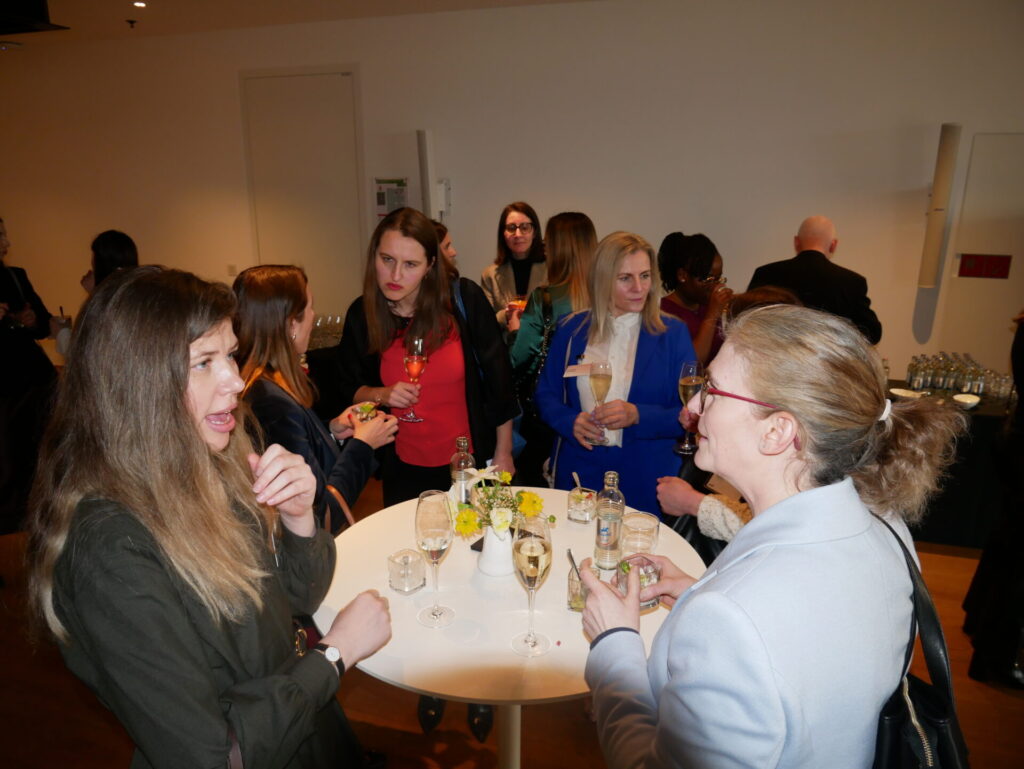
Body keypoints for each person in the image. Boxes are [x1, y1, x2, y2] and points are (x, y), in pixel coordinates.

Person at [27, 266, 391, 768]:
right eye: (203, 362)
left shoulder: (206, 464)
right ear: (137, 384)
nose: (236, 381)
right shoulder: (109, 552)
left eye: (230, 355)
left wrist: (298, 519)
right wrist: (332, 655)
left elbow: (292, 602)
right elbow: (213, 755)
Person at [580, 304, 965, 769]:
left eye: (712, 391)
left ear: (778, 431)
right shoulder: (887, 526)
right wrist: (699, 593)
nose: (693, 407)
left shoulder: (730, 619)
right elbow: (809, 647)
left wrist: (616, 643)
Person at [334, 207, 517, 507]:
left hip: (467, 464)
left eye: (410, 264)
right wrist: (383, 394)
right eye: (387, 259)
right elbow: (347, 387)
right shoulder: (363, 314)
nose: (395, 275)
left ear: (430, 265)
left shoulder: (464, 300)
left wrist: (503, 452)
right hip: (401, 467)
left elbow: (500, 385)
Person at [535, 231, 694, 516]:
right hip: (580, 468)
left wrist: (638, 415)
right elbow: (546, 393)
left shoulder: (672, 334)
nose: (639, 288)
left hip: (647, 475)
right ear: (603, 280)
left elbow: (691, 414)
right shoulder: (572, 329)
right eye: (625, 278)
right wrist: (570, 421)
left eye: (645, 276)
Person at [233, 265, 398, 534]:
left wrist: (332, 431)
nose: (313, 316)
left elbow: (299, 447)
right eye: (310, 307)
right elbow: (321, 513)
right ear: (291, 324)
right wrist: (363, 445)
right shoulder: (271, 402)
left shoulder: (263, 383)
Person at [509, 211, 597, 486]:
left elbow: (519, 359)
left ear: (559, 249)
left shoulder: (545, 298)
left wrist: (514, 331)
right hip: (594, 407)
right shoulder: (607, 297)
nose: (544, 248)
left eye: (548, 243)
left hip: (549, 413)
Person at [0, 215, 57, 534]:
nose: (7, 243)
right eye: (0, 235)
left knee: (33, 459)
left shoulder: (16, 276)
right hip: (5, 392)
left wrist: (33, 320)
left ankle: (31, 529)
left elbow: (43, 323)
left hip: (31, 382)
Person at [747, 215, 883, 343]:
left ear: (796, 242)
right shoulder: (852, 282)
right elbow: (871, 334)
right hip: (826, 359)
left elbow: (744, 321)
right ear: (833, 245)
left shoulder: (765, 273)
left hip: (774, 357)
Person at [657, 231, 733, 365]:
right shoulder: (664, 314)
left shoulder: (707, 306)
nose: (716, 285)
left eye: (718, 278)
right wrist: (712, 314)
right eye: (708, 279)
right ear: (682, 275)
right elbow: (690, 366)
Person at [481, 201, 547, 333]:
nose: (518, 234)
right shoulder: (490, 274)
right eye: (511, 228)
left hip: (544, 342)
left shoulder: (551, 269)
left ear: (534, 232)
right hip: (506, 343)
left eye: (525, 227)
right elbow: (485, 322)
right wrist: (506, 315)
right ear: (503, 234)